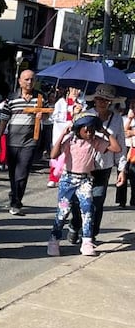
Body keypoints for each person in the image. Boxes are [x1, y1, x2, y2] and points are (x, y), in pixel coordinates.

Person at [46, 113, 117, 258]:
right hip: (68, 179)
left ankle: (86, 242)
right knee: (63, 212)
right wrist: (62, 135)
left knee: (88, 210)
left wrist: (104, 132)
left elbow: (116, 148)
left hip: (85, 180)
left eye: (92, 129)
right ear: (78, 129)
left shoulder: (96, 141)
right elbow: (53, 155)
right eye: (86, 130)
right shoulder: (70, 141)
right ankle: (54, 240)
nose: (89, 132)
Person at [68, 84, 125, 245]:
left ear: (111, 102)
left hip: (103, 166)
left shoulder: (117, 119)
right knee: (77, 201)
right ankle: (76, 224)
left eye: (106, 100)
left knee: (97, 201)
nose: (102, 102)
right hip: (83, 165)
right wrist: (75, 117)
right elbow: (73, 137)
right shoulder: (86, 114)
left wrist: (122, 169)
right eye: (99, 98)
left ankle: (90, 235)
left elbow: (120, 143)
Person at [0, 69, 43, 215]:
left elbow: (47, 116)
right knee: (13, 174)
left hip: (29, 142)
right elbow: (3, 121)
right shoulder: (11, 99)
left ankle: (16, 203)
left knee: (22, 174)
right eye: (27, 79)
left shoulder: (40, 98)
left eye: (32, 79)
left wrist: (42, 117)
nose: (29, 82)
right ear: (20, 81)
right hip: (12, 142)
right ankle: (14, 196)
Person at [48, 86, 82, 187]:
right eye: (73, 89)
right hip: (60, 131)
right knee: (57, 154)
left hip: (74, 133)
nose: (76, 91)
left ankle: (68, 177)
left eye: (78, 89)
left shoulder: (82, 102)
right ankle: (53, 178)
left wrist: (78, 112)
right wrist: (69, 114)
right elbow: (54, 116)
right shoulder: (61, 102)